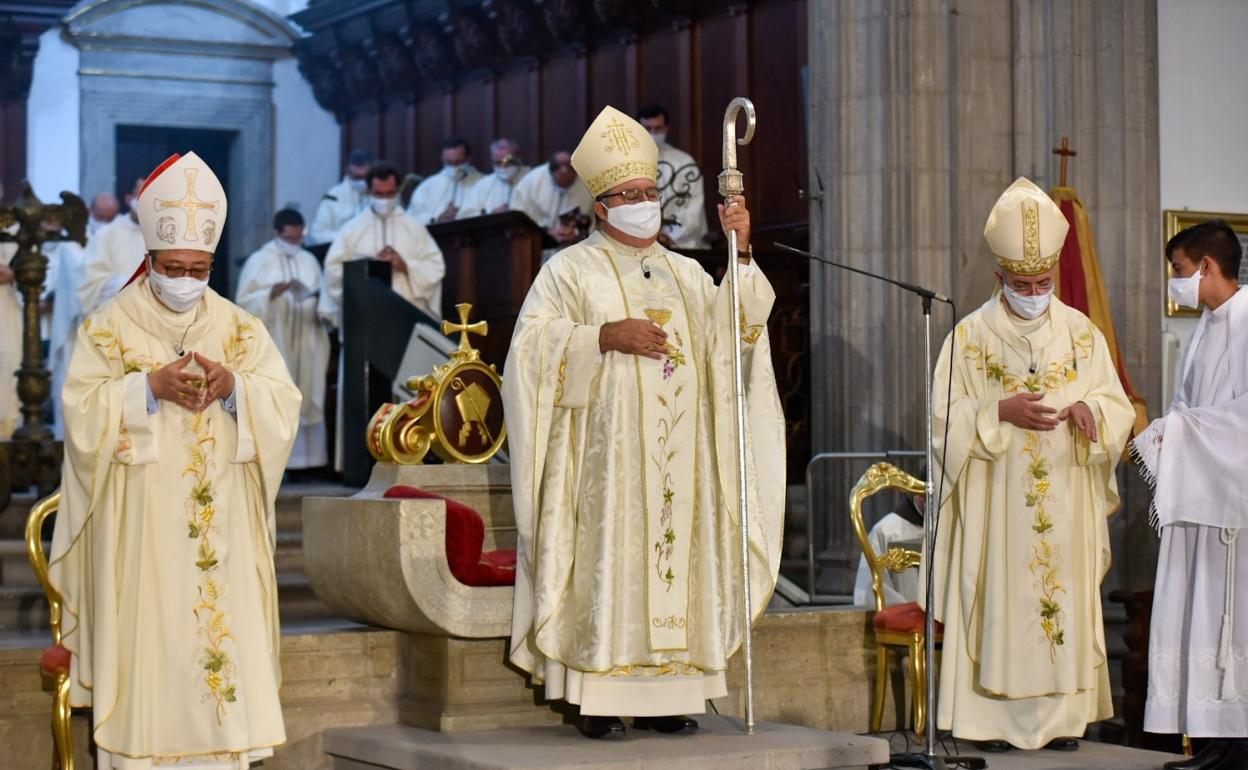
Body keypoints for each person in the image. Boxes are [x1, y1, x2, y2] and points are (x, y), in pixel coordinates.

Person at [502, 105, 785, 740]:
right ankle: (596, 697)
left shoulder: (688, 272)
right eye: (629, 194)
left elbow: (736, 340)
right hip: (605, 464)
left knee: (677, 563)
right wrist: (602, 334)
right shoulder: (568, 271)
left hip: (685, 459)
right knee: (612, 562)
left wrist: (741, 257)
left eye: (651, 192)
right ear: (602, 206)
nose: (643, 202)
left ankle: (672, 693)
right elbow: (529, 353)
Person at [48, 151, 300, 768]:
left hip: (227, 531)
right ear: (151, 261)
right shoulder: (109, 327)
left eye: (198, 268)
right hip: (142, 531)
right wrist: (147, 390)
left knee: (220, 644)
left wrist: (235, 388)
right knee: (153, 644)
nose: (185, 279)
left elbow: (282, 403)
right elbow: (80, 412)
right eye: (173, 267)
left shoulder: (240, 329)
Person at [925, 177, 1134, 753]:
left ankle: (1062, 721)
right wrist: (997, 411)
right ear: (1000, 278)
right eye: (1023, 283)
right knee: (1002, 601)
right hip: (998, 502)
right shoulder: (969, 338)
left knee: (1058, 599)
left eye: (1043, 282)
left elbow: (1116, 403)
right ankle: (990, 722)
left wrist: (1094, 410)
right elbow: (942, 420)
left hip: (1065, 497)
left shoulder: (1082, 336)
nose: (1036, 291)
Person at [1133, 221, 1248, 770]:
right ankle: (1210, 742)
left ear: (1205, 266)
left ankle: (1235, 745)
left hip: (1235, 509)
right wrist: (1169, 431)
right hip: (1200, 498)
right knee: (1197, 619)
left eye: (1178, 270)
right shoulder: (1204, 325)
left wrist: (1181, 432)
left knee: (1230, 623)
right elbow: (1188, 406)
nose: (1174, 281)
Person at [319, 160, 445, 470]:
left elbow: (435, 266)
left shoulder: (414, 227)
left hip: (401, 324)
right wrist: (366, 265)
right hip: (365, 328)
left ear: (397, 190)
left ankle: (409, 455)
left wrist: (405, 266)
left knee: (407, 388)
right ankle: (362, 463)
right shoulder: (351, 229)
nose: (384, 198)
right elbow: (334, 271)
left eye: (390, 193)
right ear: (370, 191)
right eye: (379, 192)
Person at [235, 208, 330, 471]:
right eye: (289, 239)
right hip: (276, 341)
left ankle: (310, 463)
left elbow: (324, 295)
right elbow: (243, 302)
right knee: (278, 398)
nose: (294, 245)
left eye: (298, 239)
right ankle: (281, 466)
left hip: (307, 337)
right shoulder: (259, 260)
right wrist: (270, 293)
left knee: (308, 395)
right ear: (276, 233)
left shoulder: (310, 260)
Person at [637, 104, 708, 250]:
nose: (653, 134)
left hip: (679, 244)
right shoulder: (625, 163)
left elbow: (693, 208)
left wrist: (668, 237)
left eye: (658, 129)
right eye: (647, 129)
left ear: (666, 128)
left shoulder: (684, 163)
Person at [78, 176, 147, 314]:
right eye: (142, 194)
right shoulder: (106, 235)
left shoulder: (165, 235)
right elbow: (91, 282)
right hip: (116, 315)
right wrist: (136, 286)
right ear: (129, 199)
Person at [852, 491, 925, 607]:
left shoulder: (948, 528)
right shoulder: (885, 531)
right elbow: (870, 587)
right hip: (902, 619)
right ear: (921, 497)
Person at [510, 151, 594, 246]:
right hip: (538, 246)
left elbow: (597, 221)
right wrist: (546, 232)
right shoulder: (530, 183)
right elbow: (517, 216)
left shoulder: (590, 184)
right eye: (561, 178)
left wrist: (577, 233)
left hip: (577, 247)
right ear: (551, 172)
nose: (564, 173)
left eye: (568, 181)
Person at [406, 137, 481, 225]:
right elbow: (412, 218)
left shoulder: (483, 182)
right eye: (449, 162)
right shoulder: (427, 187)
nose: (454, 167)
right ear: (442, 159)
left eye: (458, 162)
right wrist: (437, 218)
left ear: (468, 159)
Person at [309, 148, 374, 246]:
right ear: (347, 171)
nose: (361, 181)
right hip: (341, 251)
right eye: (357, 178)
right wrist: (346, 238)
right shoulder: (332, 195)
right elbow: (318, 233)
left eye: (365, 177)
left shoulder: (382, 193)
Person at [456, 138, 527, 218]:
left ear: (519, 158)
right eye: (498, 163)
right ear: (492, 161)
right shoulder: (483, 185)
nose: (503, 166)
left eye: (508, 162)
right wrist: (490, 215)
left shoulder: (532, 180)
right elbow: (464, 216)